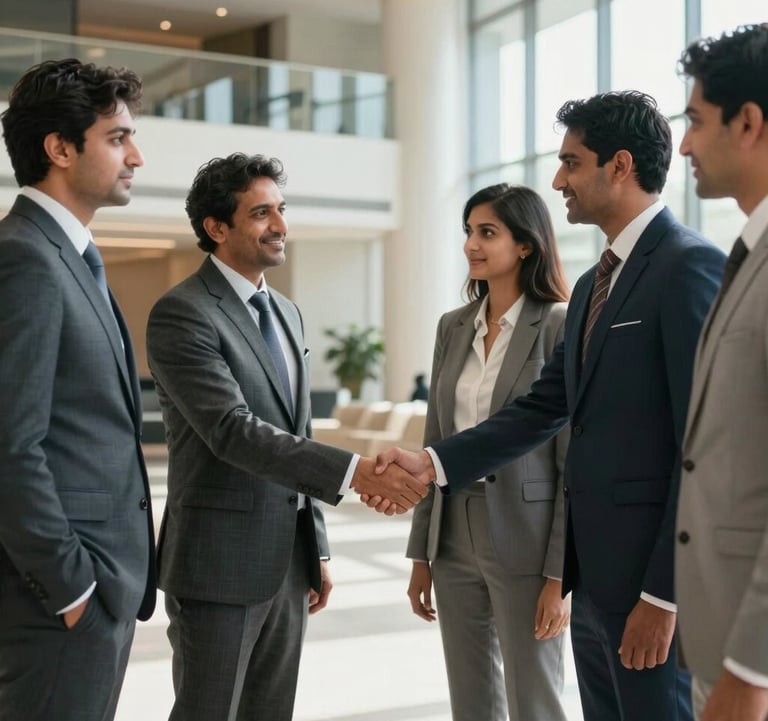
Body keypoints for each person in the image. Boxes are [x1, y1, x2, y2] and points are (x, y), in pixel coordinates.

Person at [374, 91, 727, 721]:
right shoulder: (596, 283)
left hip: (648, 589)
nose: (558, 179)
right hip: (590, 584)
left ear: (618, 166)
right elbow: (546, 408)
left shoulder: (690, 266)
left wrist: (664, 596)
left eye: (570, 162)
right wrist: (433, 462)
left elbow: (703, 448)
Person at [145, 152, 427, 721]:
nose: (280, 226)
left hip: (288, 564)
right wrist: (355, 472)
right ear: (216, 228)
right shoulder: (183, 314)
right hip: (218, 566)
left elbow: (293, 430)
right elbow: (231, 431)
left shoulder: (287, 313)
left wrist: (314, 545)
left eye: (281, 209)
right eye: (261, 214)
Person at [0, 59, 156, 721]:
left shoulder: (72, 256)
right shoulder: (26, 258)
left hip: (96, 592)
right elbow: (10, 444)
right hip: (59, 601)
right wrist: (72, 588)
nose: (137, 157)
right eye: (117, 138)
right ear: (59, 149)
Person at [405, 184, 571, 721]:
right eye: (469, 232)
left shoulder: (558, 323)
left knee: (534, 698)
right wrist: (421, 552)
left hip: (528, 534)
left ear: (526, 245)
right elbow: (436, 439)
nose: (471, 245)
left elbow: (570, 462)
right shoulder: (452, 327)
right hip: (453, 529)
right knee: (470, 697)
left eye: (487, 232)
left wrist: (560, 575)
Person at [675, 24, 768, 721]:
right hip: (720, 635)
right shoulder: (744, 253)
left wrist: (750, 666)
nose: (685, 144)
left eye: (695, 122)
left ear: (749, 124)